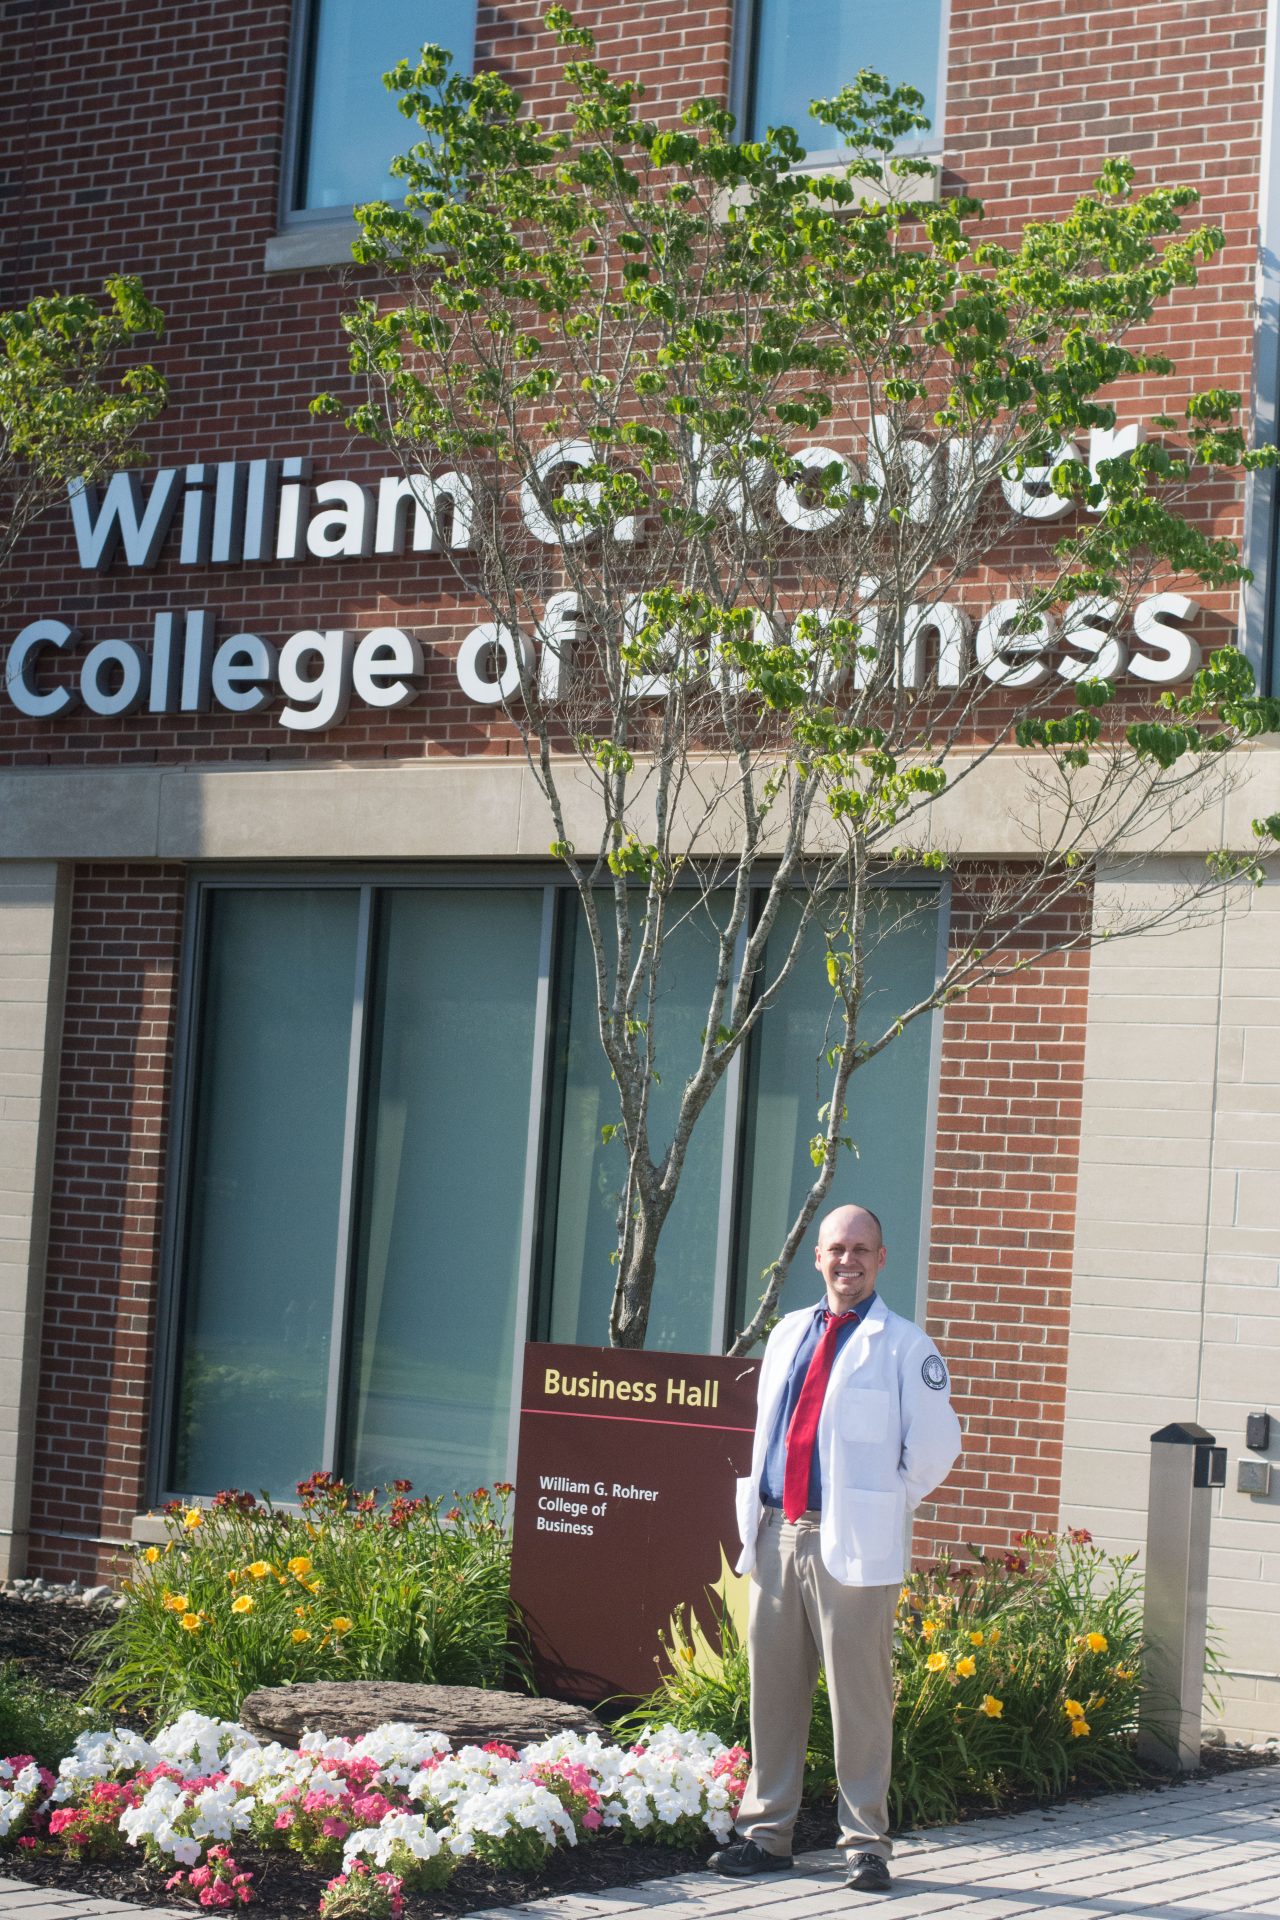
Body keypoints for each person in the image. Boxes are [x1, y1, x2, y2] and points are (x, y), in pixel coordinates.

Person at [710, 1203, 961, 1896]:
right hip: (777, 1534)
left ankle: (866, 1844)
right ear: (817, 1258)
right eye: (835, 1249)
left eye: (861, 1249)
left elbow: (938, 1447)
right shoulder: (790, 1332)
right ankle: (767, 1833)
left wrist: (888, 1501)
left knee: (860, 1700)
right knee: (774, 1694)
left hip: (853, 1543)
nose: (846, 1260)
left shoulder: (906, 1346)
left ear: (881, 1260)